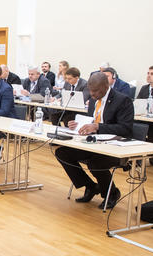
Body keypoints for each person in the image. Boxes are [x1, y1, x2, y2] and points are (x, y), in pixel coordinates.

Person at [55, 72, 134, 209]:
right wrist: (77, 125)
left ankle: (111, 193)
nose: (92, 94)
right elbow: (91, 121)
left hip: (114, 146)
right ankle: (91, 186)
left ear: (106, 86)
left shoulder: (122, 100)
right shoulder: (93, 100)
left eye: (96, 91)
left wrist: (98, 127)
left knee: (96, 162)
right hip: (93, 143)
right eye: (90, 90)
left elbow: (125, 128)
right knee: (62, 153)